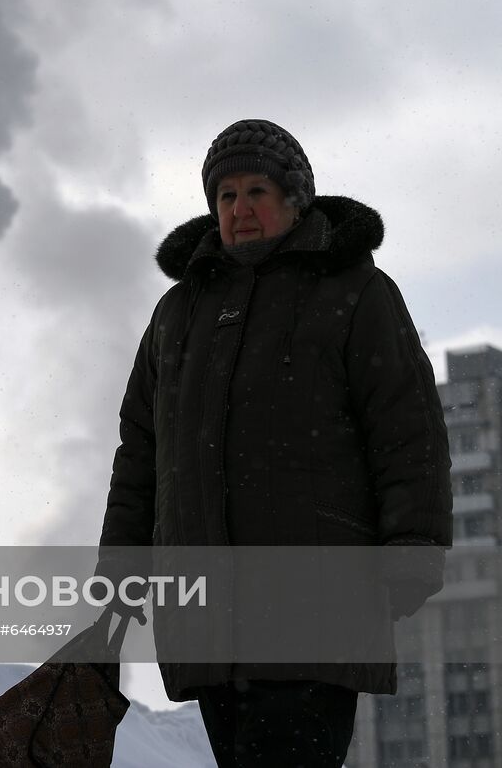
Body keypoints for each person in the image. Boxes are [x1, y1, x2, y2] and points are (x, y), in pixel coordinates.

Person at [96, 119, 452, 767]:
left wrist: (414, 545)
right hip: (205, 618)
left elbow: (407, 426)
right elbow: (141, 453)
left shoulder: (355, 292)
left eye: (256, 190)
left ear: (295, 199)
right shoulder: (177, 314)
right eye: (226, 196)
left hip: (315, 602)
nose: (240, 209)